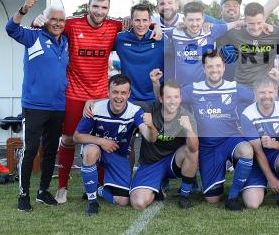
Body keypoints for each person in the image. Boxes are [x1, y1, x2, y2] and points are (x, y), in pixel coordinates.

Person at [52, 0, 125, 204]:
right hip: (75, 94)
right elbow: (49, 25)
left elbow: (145, 24)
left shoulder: (114, 26)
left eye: (104, 8)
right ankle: (62, 187)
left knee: (102, 142)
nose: (99, 11)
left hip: (101, 95)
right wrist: (38, 19)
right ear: (88, 6)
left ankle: (100, 187)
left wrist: (155, 26)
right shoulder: (72, 24)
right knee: (68, 140)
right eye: (96, 7)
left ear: (108, 9)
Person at [5, 0, 69, 212]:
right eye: (54, 19)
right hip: (34, 105)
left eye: (62, 20)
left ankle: (43, 191)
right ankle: (23, 194)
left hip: (58, 106)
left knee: (51, 150)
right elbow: (11, 29)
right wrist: (24, 10)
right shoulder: (33, 36)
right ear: (45, 20)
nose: (58, 23)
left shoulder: (67, 42)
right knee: (31, 149)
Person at [180, 50, 256, 210]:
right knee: (212, 199)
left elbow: (260, 97)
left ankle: (233, 197)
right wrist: (156, 84)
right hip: (208, 147)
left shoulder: (234, 88)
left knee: (247, 151)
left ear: (223, 67)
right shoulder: (192, 89)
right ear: (203, 68)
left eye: (218, 66)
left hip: (230, 139)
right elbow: (169, 99)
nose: (214, 69)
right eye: (210, 66)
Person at [74, 74, 153, 216]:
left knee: (123, 201)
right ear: (108, 92)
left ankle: (98, 189)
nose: (119, 96)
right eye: (115, 92)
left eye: (123, 92)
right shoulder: (96, 108)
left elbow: (150, 137)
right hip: (98, 148)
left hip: (118, 154)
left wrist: (151, 126)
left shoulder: (135, 112)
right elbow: (77, 136)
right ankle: (92, 201)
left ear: (129, 94)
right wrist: (102, 142)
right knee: (90, 151)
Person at [129, 71, 199, 210]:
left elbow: (194, 148)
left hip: (173, 162)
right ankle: (158, 189)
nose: (173, 101)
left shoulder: (186, 116)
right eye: (168, 97)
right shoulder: (147, 109)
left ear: (180, 98)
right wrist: (92, 102)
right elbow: (122, 103)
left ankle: (184, 195)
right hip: (151, 163)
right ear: (160, 99)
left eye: (176, 97)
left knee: (191, 150)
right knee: (138, 203)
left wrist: (189, 130)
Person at [239, 76, 279, 211]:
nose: (267, 96)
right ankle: (263, 184)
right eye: (262, 92)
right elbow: (258, 152)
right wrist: (271, 178)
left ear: (276, 92)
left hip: (276, 157)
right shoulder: (247, 114)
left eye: (270, 92)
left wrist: (274, 144)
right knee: (252, 204)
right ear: (255, 93)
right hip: (256, 162)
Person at [165, 1, 242, 87]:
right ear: (184, 20)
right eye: (190, 20)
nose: (194, 24)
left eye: (198, 20)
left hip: (207, 90)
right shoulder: (175, 33)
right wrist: (156, 27)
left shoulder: (211, 30)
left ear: (203, 19)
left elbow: (236, 23)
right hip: (183, 91)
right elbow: (154, 29)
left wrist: (257, 24)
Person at [218, 2, 279, 88]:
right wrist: (236, 23)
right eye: (251, 23)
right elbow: (215, 29)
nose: (256, 28)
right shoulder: (235, 33)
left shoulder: (273, 31)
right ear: (244, 21)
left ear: (264, 19)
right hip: (242, 86)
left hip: (266, 88)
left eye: (259, 23)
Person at [114, 3, 163, 106]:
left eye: (145, 20)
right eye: (137, 20)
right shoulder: (120, 39)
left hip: (155, 100)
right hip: (128, 100)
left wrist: (157, 26)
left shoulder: (160, 39)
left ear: (150, 21)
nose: (141, 24)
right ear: (131, 21)